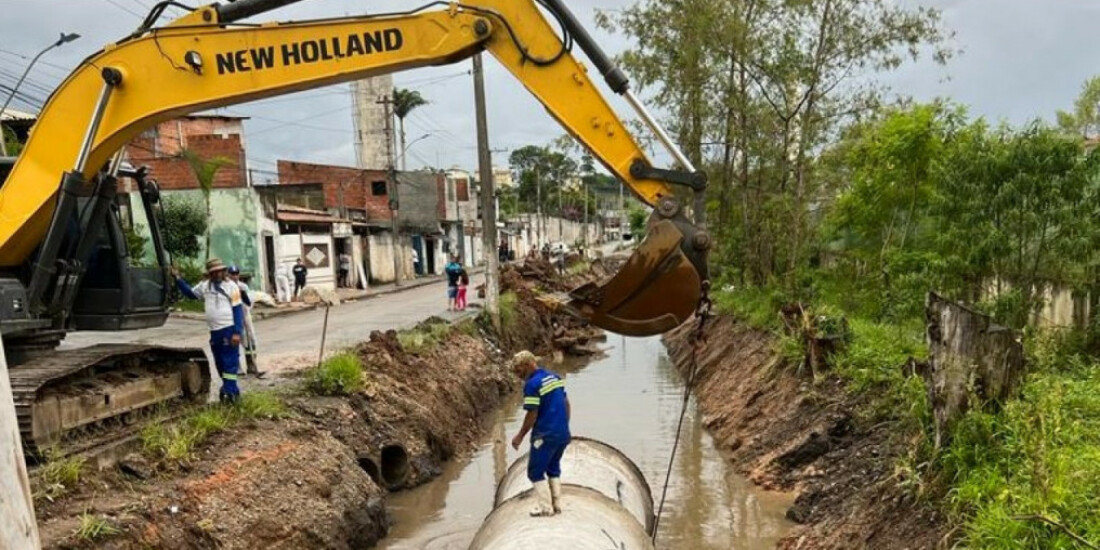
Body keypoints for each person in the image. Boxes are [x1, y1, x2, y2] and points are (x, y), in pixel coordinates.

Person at [172, 258, 245, 403]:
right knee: (219, 363)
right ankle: (233, 394)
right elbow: (190, 294)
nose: (218, 274)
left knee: (229, 363)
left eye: (220, 271)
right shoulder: (204, 286)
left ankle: (228, 393)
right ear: (210, 274)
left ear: (224, 272)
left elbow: (238, 311)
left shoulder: (231, 287)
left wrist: (237, 332)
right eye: (214, 272)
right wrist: (178, 278)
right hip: (215, 332)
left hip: (229, 330)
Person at [510, 350, 571, 516]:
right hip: (562, 433)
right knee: (553, 467)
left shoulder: (532, 385)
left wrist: (519, 436)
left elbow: (532, 413)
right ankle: (557, 504)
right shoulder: (555, 378)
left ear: (529, 364)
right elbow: (566, 403)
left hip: (545, 434)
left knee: (535, 471)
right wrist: (564, 425)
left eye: (519, 370)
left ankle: (545, 508)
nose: (518, 375)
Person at [228, 265, 264, 378]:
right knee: (234, 342)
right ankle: (237, 367)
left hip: (245, 316)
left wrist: (242, 294)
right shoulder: (226, 287)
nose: (234, 276)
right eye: (232, 274)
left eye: (236, 274)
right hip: (231, 318)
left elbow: (249, 303)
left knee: (250, 340)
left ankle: (251, 365)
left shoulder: (243, 286)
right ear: (228, 275)